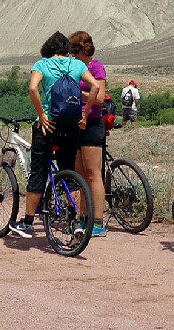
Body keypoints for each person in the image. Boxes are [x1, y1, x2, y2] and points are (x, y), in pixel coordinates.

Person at [9, 31, 100, 238]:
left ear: (48, 48)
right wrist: (84, 115)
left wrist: (41, 114)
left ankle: (28, 222)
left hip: (47, 126)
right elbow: (95, 86)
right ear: (67, 49)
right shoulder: (77, 65)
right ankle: (76, 221)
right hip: (71, 126)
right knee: (69, 171)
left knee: (39, 172)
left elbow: (33, 88)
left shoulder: (42, 64)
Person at [69, 31, 108, 237]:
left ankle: (99, 222)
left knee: (93, 174)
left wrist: (77, 92)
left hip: (92, 123)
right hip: (75, 123)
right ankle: (83, 219)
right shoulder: (76, 67)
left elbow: (100, 98)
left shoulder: (96, 67)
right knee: (80, 174)